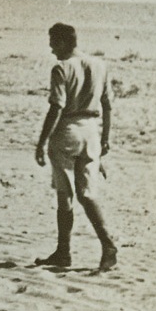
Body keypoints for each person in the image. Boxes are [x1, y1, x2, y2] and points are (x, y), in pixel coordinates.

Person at [34, 23, 118, 271]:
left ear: (62, 42)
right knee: (87, 193)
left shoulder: (62, 67)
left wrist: (42, 141)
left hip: (67, 130)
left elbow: (56, 106)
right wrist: (105, 138)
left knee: (65, 195)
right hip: (91, 131)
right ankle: (107, 245)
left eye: (53, 42)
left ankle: (64, 251)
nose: (51, 48)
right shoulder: (99, 65)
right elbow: (107, 106)